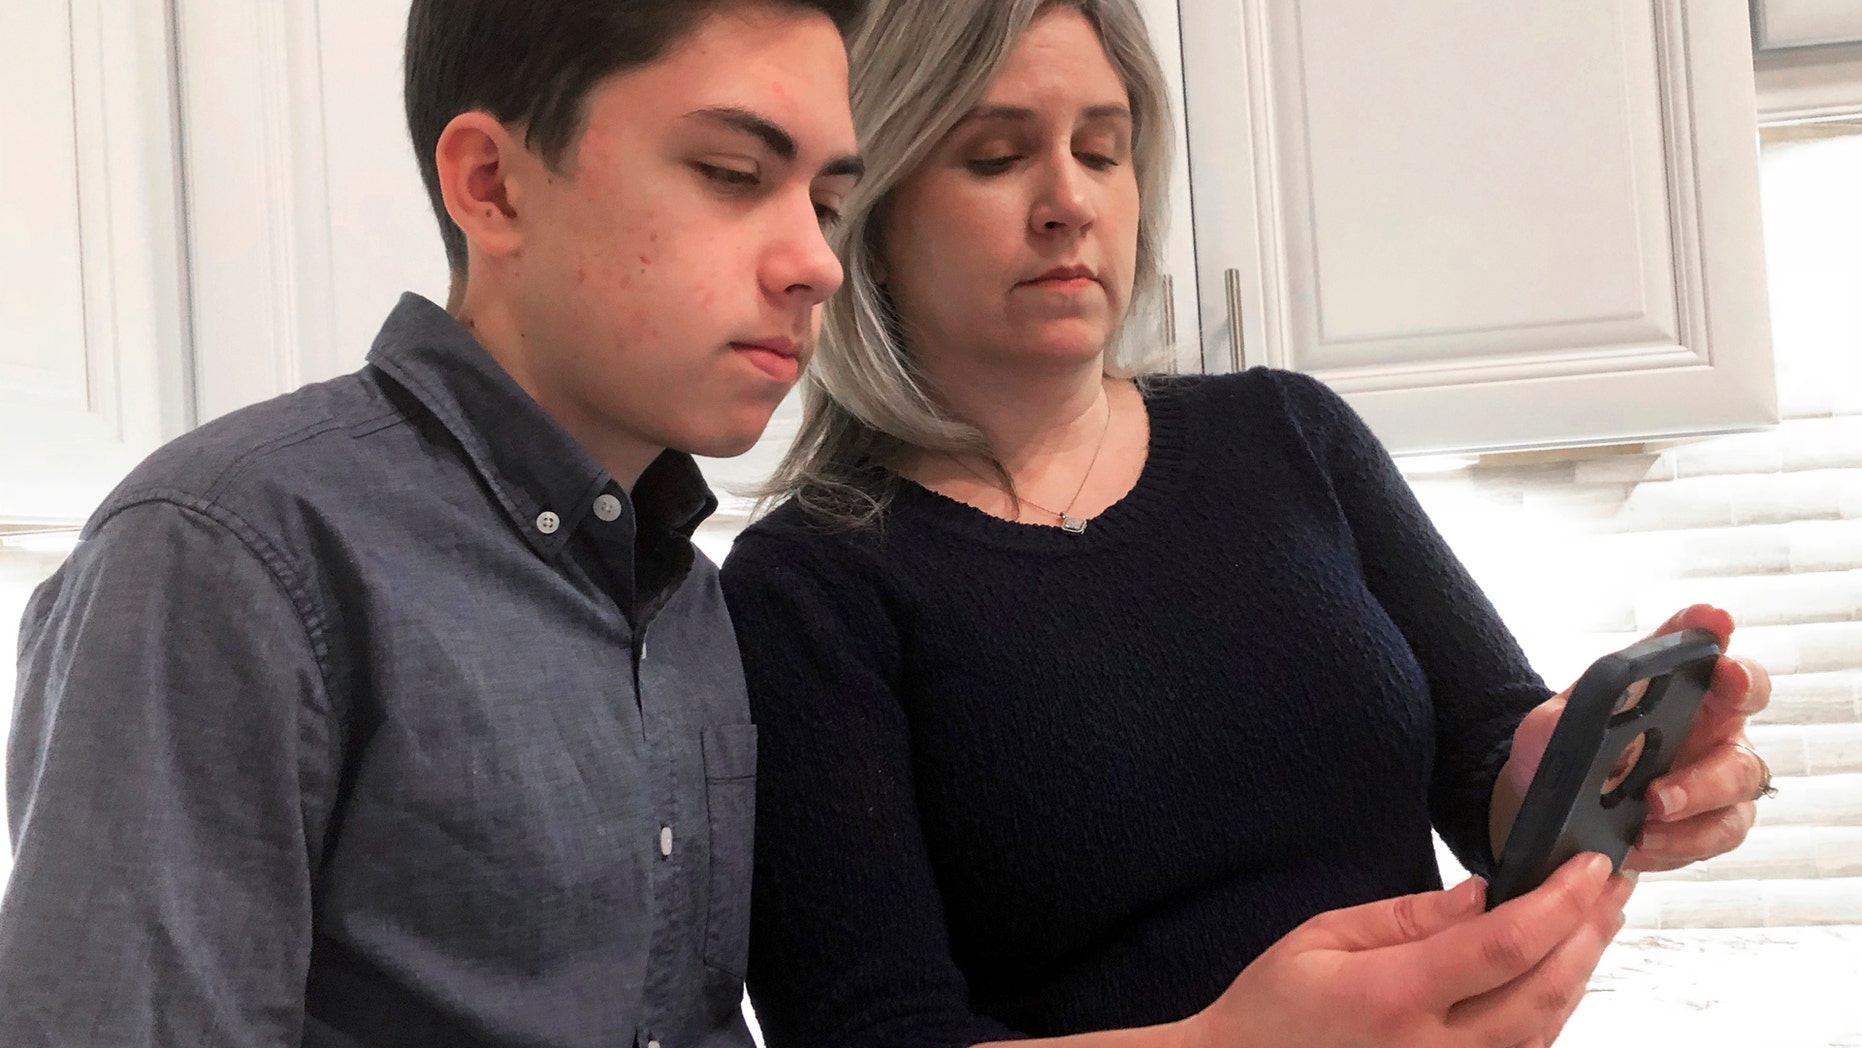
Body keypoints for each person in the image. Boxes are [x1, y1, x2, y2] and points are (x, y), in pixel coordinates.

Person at [717, 2, 1775, 1047]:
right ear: (871, 216)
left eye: (1102, 149)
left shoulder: (1286, 432)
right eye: (994, 158)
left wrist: (1565, 776)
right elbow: (866, 1029)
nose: (1068, 202)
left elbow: (1482, 759)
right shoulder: (807, 589)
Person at [0, 1, 862, 1044]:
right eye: (732, 175)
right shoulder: (224, 551)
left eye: (826, 203)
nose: (815, 262)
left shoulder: (682, 590)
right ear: (490, 186)